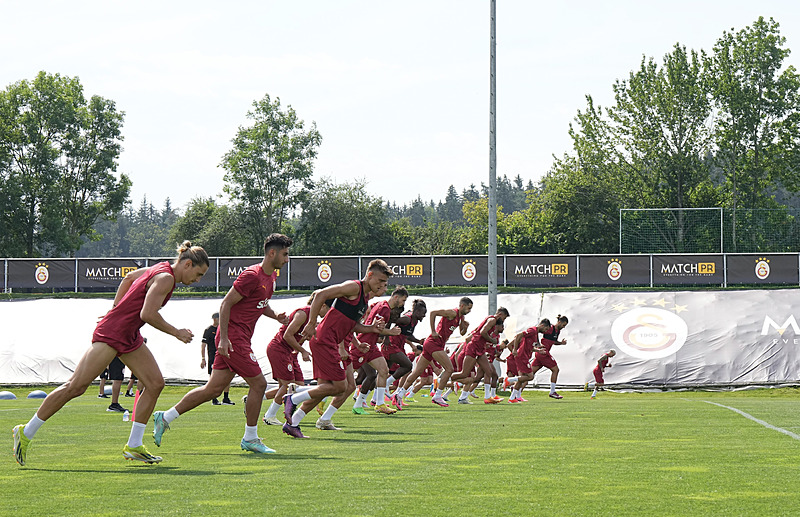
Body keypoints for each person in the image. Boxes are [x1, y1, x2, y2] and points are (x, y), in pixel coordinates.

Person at [12, 242, 209, 466]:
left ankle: (134, 445)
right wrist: (176, 332)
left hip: (128, 335)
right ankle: (25, 432)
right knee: (75, 387)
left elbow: (128, 279)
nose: (198, 280)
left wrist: (115, 309)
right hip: (113, 334)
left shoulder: (159, 268)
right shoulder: (166, 278)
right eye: (198, 274)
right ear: (187, 264)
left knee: (155, 383)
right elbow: (147, 313)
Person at [151, 233, 292, 454]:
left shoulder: (271, 277)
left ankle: (165, 416)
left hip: (238, 338)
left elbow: (260, 303)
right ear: (271, 253)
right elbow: (226, 303)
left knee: (213, 389)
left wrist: (276, 316)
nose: (287, 259)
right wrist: (224, 338)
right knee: (259, 385)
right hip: (233, 339)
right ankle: (250, 438)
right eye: (285, 254)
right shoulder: (252, 275)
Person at [281, 259, 392, 438]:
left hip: (330, 341)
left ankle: (293, 423)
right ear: (369, 275)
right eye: (380, 281)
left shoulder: (364, 299)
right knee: (341, 386)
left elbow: (351, 325)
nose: (382, 286)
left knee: (325, 388)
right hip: (325, 341)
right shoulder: (354, 287)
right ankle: (293, 398)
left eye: (385, 283)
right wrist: (311, 323)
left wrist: (372, 329)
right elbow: (320, 295)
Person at [261, 295, 329, 425]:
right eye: (329, 309)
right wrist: (302, 350)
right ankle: (269, 415)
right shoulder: (303, 313)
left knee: (297, 385)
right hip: (279, 349)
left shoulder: (313, 318)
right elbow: (287, 335)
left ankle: (258, 400)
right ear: (323, 305)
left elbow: (303, 336)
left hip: (289, 352)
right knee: (287, 385)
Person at [397, 297, 473, 407]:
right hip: (434, 343)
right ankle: (437, 396)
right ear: (462, 306)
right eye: (468, 308)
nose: (469, 310)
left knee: (417, 372)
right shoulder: (452, 312)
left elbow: (462, 333)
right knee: (449, 369)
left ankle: (399, 394)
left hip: (434, 344)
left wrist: (465, 327)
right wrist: (433, 331)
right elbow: (433, 313)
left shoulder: (461, 317)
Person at [350, 287, 406, 415]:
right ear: (396, 297)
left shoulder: (381, 305)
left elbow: (372, 321)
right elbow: (375, 328)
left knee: (383, 370)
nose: (403, 303)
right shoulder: (384, 308)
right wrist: (391, 332)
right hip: (363, 345)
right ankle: (323, 397)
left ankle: (379, 404)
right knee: (343, 378)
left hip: (372, 346)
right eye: (403, 300)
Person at [451, 308, 509, 404]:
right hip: (474, 347)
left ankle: (487, 397)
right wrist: (491, 340)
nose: (503, 320)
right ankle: (441, 380)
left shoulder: (491, 322)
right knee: (464, 374)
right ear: (499, 314)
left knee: (489, 371)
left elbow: (476, 332)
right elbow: (482, 332)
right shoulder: (492, 320)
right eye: (504, 317)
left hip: (480, 348)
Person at [386, 299, 427, 409]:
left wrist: (418, 341)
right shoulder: (406, 318)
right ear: (417, 312)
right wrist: (385, 337)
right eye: (423, 313)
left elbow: (407, 335)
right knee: (407, 366)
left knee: (384, 371)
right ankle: (387, 386)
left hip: (398, 346)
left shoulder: (414, 321)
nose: (424, 316)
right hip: (391, 345)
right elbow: (390, 320)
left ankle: (374, 399)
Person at [507, 319, 550, 403]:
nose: (545, 331)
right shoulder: (533, 330)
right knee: (530, 376)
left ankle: (512, 398)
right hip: (522, 356)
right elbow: (519, 335)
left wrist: (538, 351)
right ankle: (508, 380)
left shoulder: (535, 334)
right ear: (542, 326)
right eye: (546, 329)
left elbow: (530, 348)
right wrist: (515, 349)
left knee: (521, 378)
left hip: (525, 356)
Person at [201, 313, 234, 405]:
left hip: (224, 355)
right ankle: (214, 399)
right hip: (213, 357)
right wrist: (203, 358)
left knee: (227, 376)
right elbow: (203, 345)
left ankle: (226, 398)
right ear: (215, 319)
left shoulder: (223, 329)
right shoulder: (208, 330)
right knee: (213, 378)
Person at [535, 314, 569, 399]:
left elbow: (553, 341)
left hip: (541, 354)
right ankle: (552, 391)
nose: (564, 327)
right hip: (543, 353)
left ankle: (513, 387)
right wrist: (538, 344)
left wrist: (561, 343)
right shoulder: (550, 328)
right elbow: (536, 331)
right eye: (563, 325)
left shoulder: (557, 331)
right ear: (559, 322)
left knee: (529, 375)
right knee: (555, 370)